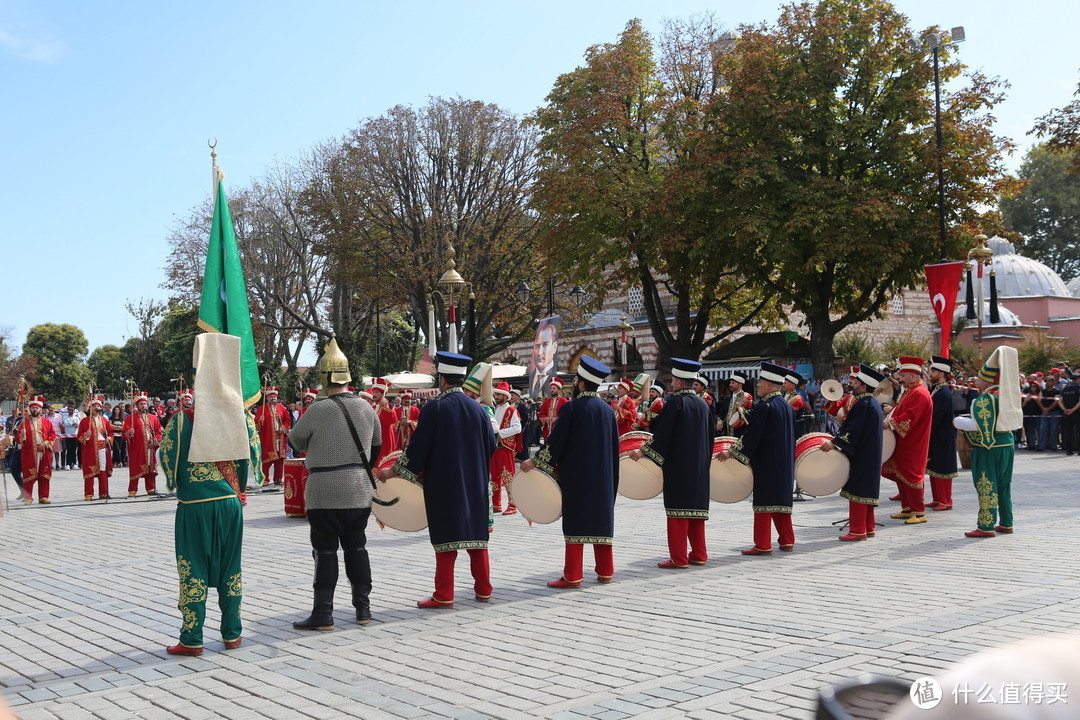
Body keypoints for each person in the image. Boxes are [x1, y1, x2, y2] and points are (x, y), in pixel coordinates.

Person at [161, 333, 263, 655]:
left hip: (194, 506)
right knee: (231, 567)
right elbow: (250, 459)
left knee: (193, 568)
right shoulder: (242, 417)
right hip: (231, 504)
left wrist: (177, 482)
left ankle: (192, 638)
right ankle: (232, 634)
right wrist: (238, 491)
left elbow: (168, 459)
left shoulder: (181, 420)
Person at [380, 351, 497, 608]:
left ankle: (444, 594)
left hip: (445, 484)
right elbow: (491, 444)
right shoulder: (478, 409)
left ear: (442, 380)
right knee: (477, 538)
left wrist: (392, 472)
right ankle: (484, 589)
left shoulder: (435, 407)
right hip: (475, 483)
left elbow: (418, 449)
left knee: (446, 539)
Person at [289, 336, 381, 630]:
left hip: (324, 489)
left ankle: (323, 614)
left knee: (325, 550)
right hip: (358, 489)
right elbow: (376, 446)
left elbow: (295, 440)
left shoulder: (319, 408)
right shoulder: (368, 408)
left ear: (324, 378)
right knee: (357, 548)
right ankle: (363, 610)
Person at [523, 355, 619, 587]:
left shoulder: (573, 408)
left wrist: (535, 462)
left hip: (577, 477)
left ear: (582, 384)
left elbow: (556, 442)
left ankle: (573, 574)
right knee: (600, 520)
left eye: (576, 380)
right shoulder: (607, 411)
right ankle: (606, 571)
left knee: (576, 522)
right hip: (604, 476)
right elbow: (615, 447)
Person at [629, 358, 712, 567]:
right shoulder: (703, 404)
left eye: (674, 380)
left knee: (677, 513)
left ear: (679, 382)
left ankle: (679, 557)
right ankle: (700, 554)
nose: (672, 383)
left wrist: (644, 451)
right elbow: (711, 436)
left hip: (679, 466)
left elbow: (663, 433)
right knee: (695, 513)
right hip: (700, 466)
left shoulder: (676, 402)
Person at [716, 361, 796, 555]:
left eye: (760, 381)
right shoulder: (784, 404)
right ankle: (787, 540)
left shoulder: (767, 406)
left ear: (769, 384)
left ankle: (762, 543)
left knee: (764, 501)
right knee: (779, 501)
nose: (758, 384)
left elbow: (752, 435)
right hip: (783, 460)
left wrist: (732, 452)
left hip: (767, 461)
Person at [953, 346, 1020, 538]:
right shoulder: (1007, 395)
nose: (976, 381)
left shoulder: (986, 398)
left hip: (989, 447)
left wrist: (958, 421)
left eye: (979, 378)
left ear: (989, 380)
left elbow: (980, 426)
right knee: (1004, 485)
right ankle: (1006, 522)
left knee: (986, 484)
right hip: (1007, 443)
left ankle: (986, 525)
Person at [817, 365, 885, 541]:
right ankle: (868, 527)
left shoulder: (863, 404)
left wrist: (834, 443)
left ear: (863, 386)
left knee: (858, 490)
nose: (851, 384)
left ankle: (857, 530)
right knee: (867, 491)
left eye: (855, 383)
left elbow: (853, 430)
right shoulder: (872, 403)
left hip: (862, 455)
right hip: (869, 454)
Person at [882, 356, 933, 525]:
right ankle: (907, 508)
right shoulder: (911, 390)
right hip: (904, 440)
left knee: (912, 474)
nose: (900, 378)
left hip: (913, 441)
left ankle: (919, 512)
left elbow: (910, 417)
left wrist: (890, 422)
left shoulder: (919, 393)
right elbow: (900, 410)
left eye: (903, 375)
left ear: (913, 375)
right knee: (901, 474)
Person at [924, 356, 959, 511]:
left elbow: (937, 416)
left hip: (942, 436)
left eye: (934, 371)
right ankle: (937, 498)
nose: (930, 373)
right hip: (935, 435)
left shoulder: (943, 392)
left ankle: (946, 500)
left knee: (943, 467)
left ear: (943, 373)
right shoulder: (937, 389)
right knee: (934, 466)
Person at [490, 381, 522, 516]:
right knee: (495, 477)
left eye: (498, 394)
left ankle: (513, 504)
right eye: (496, 394)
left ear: (505, 396)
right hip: (495, 447)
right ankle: (496, 504)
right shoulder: (495, 409)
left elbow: (517, 428)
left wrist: (500, 433)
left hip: (505, 446)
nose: (496, 397)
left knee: (508, 476)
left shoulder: (512, 411)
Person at [17, 396, 56, 504]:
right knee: (29, 474)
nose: (35, 410)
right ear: (30, 409)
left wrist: (46, 443)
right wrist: (22, 436)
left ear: (40, 409)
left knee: (44, 474)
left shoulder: (47, 422)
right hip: (30, 452)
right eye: (33, 408)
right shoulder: (23, 423)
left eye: (37, 408)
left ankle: (43, 496)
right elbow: (18, 439)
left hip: (44, 451)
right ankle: (28, 497)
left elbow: (52, 435)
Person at [123, 392, 163, 497]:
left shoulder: (153, 418)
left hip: (151, 447)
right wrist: (129, 433)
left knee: (150, 468)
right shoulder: (131, 418)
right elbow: (125, 432)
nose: (143, 406)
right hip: (138, 448)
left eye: (145, 404)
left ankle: (150, 488)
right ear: (137, 405)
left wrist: (156, 440)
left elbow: (158, 431)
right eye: (141, 404)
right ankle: (132, 490)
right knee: (136, 468)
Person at [254, 387, 292, 485]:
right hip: (268, 438)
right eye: (271, 396)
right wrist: (260, 421)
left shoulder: (282, 408)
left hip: (281, 437)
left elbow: (287, 420)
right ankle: (265, 479)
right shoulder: (261, 409)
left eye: (274, 396)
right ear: (267, 398)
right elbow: (257, 424)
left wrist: (283, 428)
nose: (273, 398)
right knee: (267, 459)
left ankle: (278, 478)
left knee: (280, 459)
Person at [78, 394, 113, 500]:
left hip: (102, 448)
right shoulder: (84, 421)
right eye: (94, 406)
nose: (97, 408)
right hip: (90, 449)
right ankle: (88, 493)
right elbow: (79, 436)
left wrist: (109, 440)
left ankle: (104, 492)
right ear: (90, 407)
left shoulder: (104, 420)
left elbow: (110, 432)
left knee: (103, 470)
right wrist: (86, 436)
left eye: (98, 406)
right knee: (90, 470)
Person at [369, 378, 398, 464]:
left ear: (383, 394)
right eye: (373, 392)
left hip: (384, 440)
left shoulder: (388, 407)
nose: (374, 394)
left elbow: (393, 420)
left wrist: (385, 406)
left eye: (377, 392)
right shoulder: (373, 407)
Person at [528, 320, 559, 399]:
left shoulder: (555, 377)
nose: (540, 353)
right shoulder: (532, 375)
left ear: (554, 347)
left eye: (545, 345)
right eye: (537, 346)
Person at [538, 378, 567, 443]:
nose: (552, 390)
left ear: (559, 389)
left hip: (559, 429)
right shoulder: (546, 401)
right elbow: (541, 413)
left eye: (554, 388)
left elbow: (566, 415)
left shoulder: (565, 402)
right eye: (551, 388)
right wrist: (546, 418)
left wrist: (556, 419)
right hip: (547, 429)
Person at [58, 400, 81, 470]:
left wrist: (71, 424)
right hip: (67, 435)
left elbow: (77, 425)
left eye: (72, 410)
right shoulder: (65, 417)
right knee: (68, 450)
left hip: (74, 435)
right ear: (68, 410)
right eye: (69, 410)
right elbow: (66, 424)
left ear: (74, 410)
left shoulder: (76, 418)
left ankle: (74, 463)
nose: (71, 411)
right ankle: (67, 464)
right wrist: (72, 424)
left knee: (74, 450)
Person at [1062, 368, 1080, 456]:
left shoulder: (1065, 389)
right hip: (1077, 413)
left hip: (1067, 414)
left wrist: (1065, 410)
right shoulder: (1078, 389)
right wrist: (1073, 410)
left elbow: (1059, 400)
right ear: (1077, 380)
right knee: (1078, 432)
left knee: (1068, 432)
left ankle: (1069, 450)